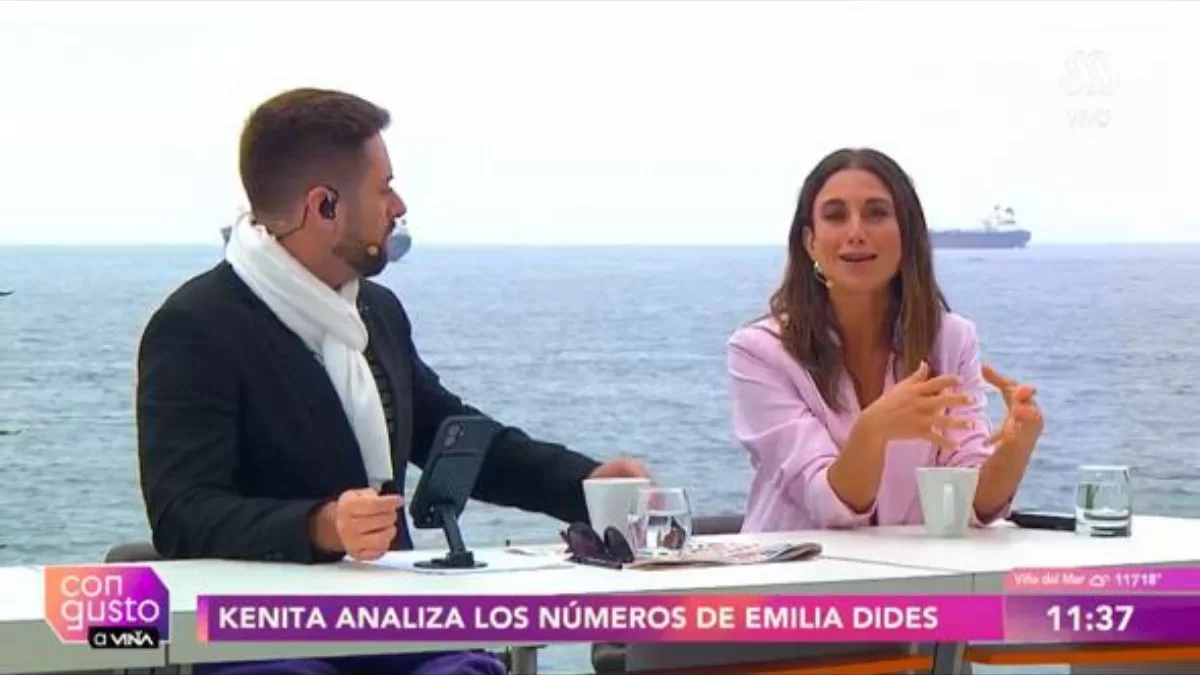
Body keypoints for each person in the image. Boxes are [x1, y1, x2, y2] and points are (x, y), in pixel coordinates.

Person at [135, 87, 649, 675]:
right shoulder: (195, 325)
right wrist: (320, 525)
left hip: (389, 619)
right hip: (259, 634)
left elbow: (450, 435)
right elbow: (183, 513)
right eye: (383, 189)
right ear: (324, 206)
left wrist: (584, 483)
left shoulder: (376, 312)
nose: (398, 206)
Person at [727, 147, 1043, 533]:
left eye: (876, 213)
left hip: (908, 571)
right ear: (810, 242)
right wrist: (874, 429)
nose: (856, 233)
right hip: (796, 568)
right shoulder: (758, 352)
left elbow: (962, 501)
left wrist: (1017, 446)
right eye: (835, 216)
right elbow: (826, 504)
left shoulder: (952, 340)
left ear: (906, 234)